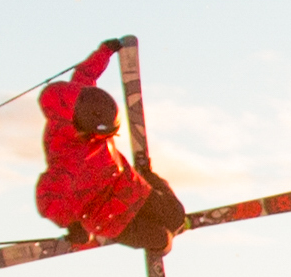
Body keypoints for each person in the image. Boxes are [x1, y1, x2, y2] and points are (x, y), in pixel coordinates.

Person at [35, 42, 185, 256]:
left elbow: (86, 73)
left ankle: (148, 177)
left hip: (130, 188)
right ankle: (160, 244)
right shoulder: (67, 158)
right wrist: (72, 224)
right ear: (84, 131)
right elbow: (48, 196)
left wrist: (105, 51)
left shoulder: (81, 97)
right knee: (161, 238)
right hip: (107, 217)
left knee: (176, 216)